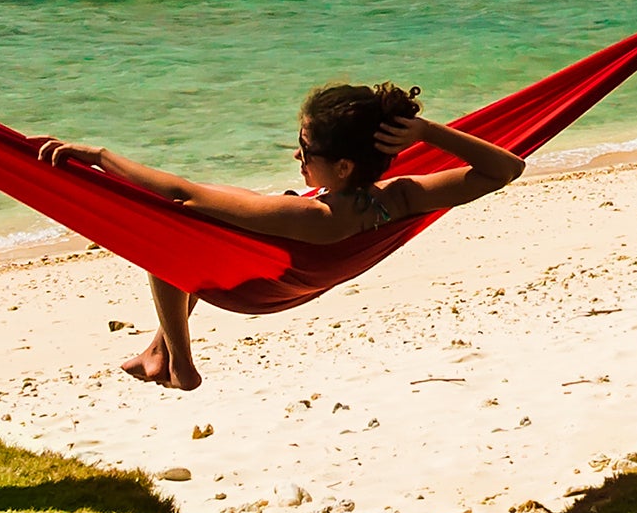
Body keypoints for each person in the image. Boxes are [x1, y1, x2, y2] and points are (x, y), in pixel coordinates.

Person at [29, 82, 523, 392]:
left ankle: (181, 362)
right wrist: (428, 132)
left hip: (260, 288)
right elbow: (506, 168)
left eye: (305, 147)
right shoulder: (399, 197)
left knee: (167, 240)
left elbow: (183, 195)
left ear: (344, 165)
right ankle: (157, 349)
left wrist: (101, 157)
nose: (297, 155)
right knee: (214, 219)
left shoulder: (308, 217)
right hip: (307, 273)